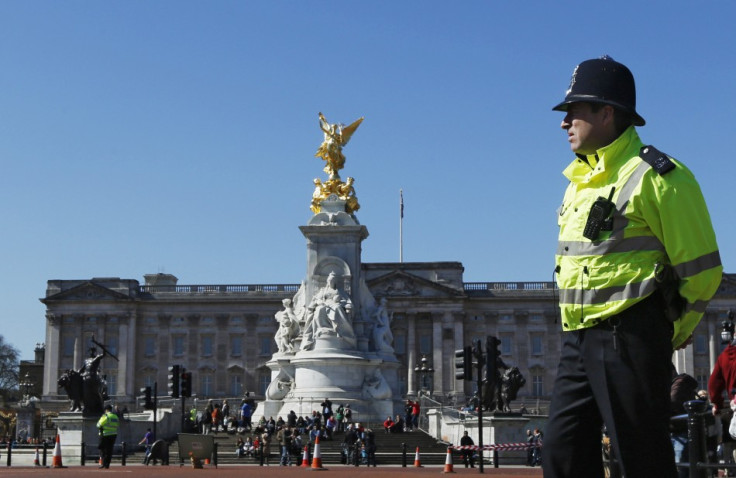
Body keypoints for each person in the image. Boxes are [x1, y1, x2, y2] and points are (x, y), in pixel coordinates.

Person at [542, 55, 723, 478]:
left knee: (638, 456)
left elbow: (702, 272)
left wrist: (666, 330)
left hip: (631, 333)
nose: (564, 122)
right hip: (578, 338)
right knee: (560, 451)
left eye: (574, 112)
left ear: (607, 113)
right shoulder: (579, 183)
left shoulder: (662, 177)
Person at [96, 404, 119, 469]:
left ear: (106, 410)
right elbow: (117, 425)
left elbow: (98, 425)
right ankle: (107, 464)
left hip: (105, 435)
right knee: (109, 450)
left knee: (102, 449)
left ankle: (103, 463)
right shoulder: (115, 416)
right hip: (113, 435)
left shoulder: (105, 416)